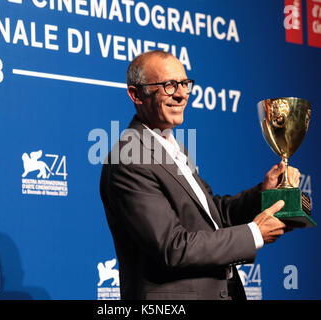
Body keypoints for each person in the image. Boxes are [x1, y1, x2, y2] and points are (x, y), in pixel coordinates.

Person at [100, 50, 300, 300]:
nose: (182, 94)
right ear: (136, 95)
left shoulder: (172, 147)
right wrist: (254, 233)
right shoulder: (129, 158)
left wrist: (264, 192)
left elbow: (213, 216)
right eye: (169, 85)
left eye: (184, 84)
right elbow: (173, 247)